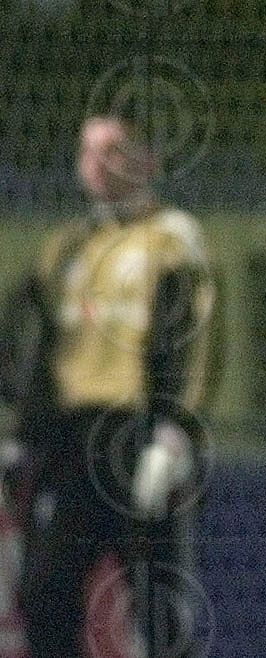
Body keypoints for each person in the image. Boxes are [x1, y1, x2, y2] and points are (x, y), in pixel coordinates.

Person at [5, 113, 215, 658]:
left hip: (134, 434)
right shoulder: (65, 247)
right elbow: (28, 341)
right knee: (46, 591)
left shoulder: (172, 239)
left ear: (147, 160)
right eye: (87, 150)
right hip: (68, 440)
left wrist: (175, 432)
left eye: (113, 149)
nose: (97, 163)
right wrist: (20, 429)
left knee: (155, 599)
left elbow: (198, 337)